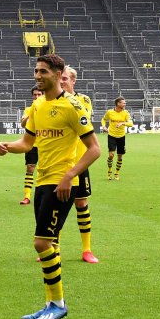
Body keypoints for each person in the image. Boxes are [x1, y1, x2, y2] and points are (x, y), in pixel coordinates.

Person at [0, 54, 99, 319]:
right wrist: (8, 146)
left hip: (62, 184)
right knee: (49, 244)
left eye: (43, 71)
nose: (38, 76)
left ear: (58, 73)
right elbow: (28, 143)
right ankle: (50, 303)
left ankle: (59, 304)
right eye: (36, 71)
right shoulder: (38, 105)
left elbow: (94, 149)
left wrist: (70, 175)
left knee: (41, 243)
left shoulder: (73, 107)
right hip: (42, 182)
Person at [61, 65, 98, 263]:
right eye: (60, 79)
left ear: (73, 80)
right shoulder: (49, 101)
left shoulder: (83, 100)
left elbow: (82, 119)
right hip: (58, 162)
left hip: (79, 163)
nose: (62, 82)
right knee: (55, 207)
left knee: (81, 204)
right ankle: (52, 247)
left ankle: (87, 250)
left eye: (65, 79)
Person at [18, 87, 42, 205]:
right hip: (32, 144)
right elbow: (23, 124)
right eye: (35, 95)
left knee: (47, 171)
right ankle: (27, 196)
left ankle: (45, 196)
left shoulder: (48, 107)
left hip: (46, 144)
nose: (36, 97)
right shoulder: (28, 109)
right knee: (30, 168)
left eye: (39, 94)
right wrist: (27, 117)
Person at [102, 97, 134, 181]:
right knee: (111, 155)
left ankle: (116, 172)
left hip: (121, 137)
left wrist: (122, 123)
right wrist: (104, 126)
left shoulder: (126, 113)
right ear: (118, 104)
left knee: (120, 156)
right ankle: (109, 171)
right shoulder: (109, 112)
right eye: (123, 103)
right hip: (111, 135)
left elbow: (131, 124)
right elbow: (104, 119)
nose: (125, 104)